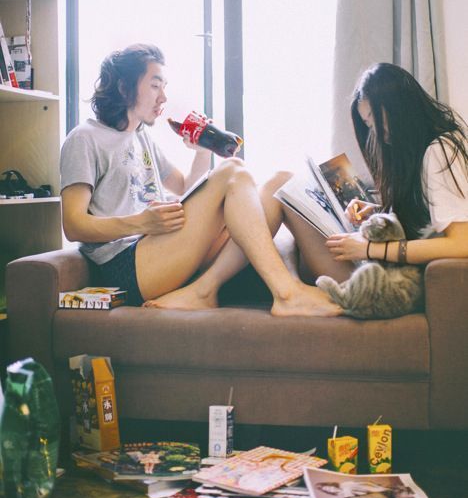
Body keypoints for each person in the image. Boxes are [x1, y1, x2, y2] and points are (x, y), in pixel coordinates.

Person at [60, 43, 342, 317]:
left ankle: (205, 290)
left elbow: (185, 188)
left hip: (158, 247)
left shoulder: (141, 137)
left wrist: (201, 152)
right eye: (155, 86)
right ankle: (287, 294)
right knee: (233, 169)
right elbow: (73, 225)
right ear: (124, 88)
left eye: (164, 87)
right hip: (126, 266)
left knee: (280, 183)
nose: (163, 98)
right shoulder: (85, 138)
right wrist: (141, 222)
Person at [255, 62, 468, 292]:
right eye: (369, 125)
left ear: (400, 107)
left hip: (390, 280)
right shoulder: (424, 149)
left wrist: (369, 249)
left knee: (280, 184)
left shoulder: (441, 150)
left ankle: (280, 292)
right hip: (382, 267)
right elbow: (426, 222)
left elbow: (462, 243)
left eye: (376, 119)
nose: (377, 133)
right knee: (282, 186)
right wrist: (376, 212)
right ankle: (289, 290)